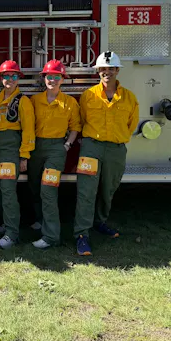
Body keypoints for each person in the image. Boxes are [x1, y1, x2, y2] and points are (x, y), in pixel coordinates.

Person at [74, 51, 139, 256]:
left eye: (111, 69)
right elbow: (82, 119)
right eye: (103, 69)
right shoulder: (88, 95)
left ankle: (99, 222)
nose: (107, 72)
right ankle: (81, 234)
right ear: (98, 72)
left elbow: (132, 123)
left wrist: (117, 137)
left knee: (108, 189)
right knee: (86, 191)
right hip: (91, 147)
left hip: (116, 149)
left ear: (117, 70)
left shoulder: (129, 97)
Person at [28, 60, 81, 249]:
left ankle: (51, 236)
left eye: (56, 77)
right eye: (49, 76)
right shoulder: (34, 101)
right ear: (44, 79)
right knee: (34, 185)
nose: (52, 80)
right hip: (36, 147)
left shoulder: (69, 103)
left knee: (48, 189)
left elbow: (75, 127)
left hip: (56, 149)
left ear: (62, 80)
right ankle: (41, 219)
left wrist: (66, 145)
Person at [0, 60, 35, 249]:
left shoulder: (23, 102)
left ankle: (12, 234)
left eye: (14, 76)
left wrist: (24, 156)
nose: (10, 79)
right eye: (6, 75)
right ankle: (6, 222)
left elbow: (28, 131)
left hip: (10, 148)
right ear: (1, 78)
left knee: (7, 189)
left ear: (18, 79)